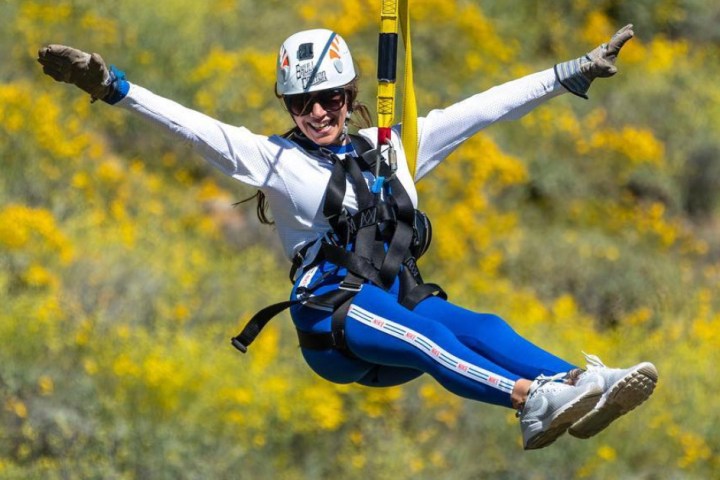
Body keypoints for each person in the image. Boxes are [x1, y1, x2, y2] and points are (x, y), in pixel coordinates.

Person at [38, 24, 658, 450]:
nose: (318, 113)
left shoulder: (389, 147)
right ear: (288, 106)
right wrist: (110, 86)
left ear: (350, 95)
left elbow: (485, 108)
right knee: (429, 334)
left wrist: (571, 72)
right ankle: (530, 401)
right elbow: (193, 128)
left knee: (482, 325)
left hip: (394, 299)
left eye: (331, 98)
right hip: (332, 320)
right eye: (302, 102)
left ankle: (582, 387)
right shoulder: (270, 160)